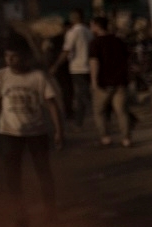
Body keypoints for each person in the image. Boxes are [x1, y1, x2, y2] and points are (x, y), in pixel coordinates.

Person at [0, 36, 64, 227]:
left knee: (44, 173)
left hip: (36, 132)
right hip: (9, 133)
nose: (10, 60)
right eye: (7, 56)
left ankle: (50, 212)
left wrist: (58, 131)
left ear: (25, 57)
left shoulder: (38, 77)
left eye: (15, 56)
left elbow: (52, 104)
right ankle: (20, 214)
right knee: (13, 177)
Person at [88, 16, 133, 147]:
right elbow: (127, 60)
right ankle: (126, 139)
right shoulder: (118, 41)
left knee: (99, 111)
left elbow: (94, 63)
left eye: (92, 25)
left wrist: (94, 81)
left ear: (96, 26)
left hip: (104, 82)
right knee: (122, 111)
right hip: (120, 81)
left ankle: (105, 137)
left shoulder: (95, 43)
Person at [57, 9, 93, 127]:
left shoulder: (72, 33)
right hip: (88, 66)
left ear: (74, 18)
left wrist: (55, 66)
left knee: (84, 96)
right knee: (80, 96)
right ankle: (79, 122)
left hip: (77, 68)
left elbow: (66, 51)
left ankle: (99, 117)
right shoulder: (89, 31)